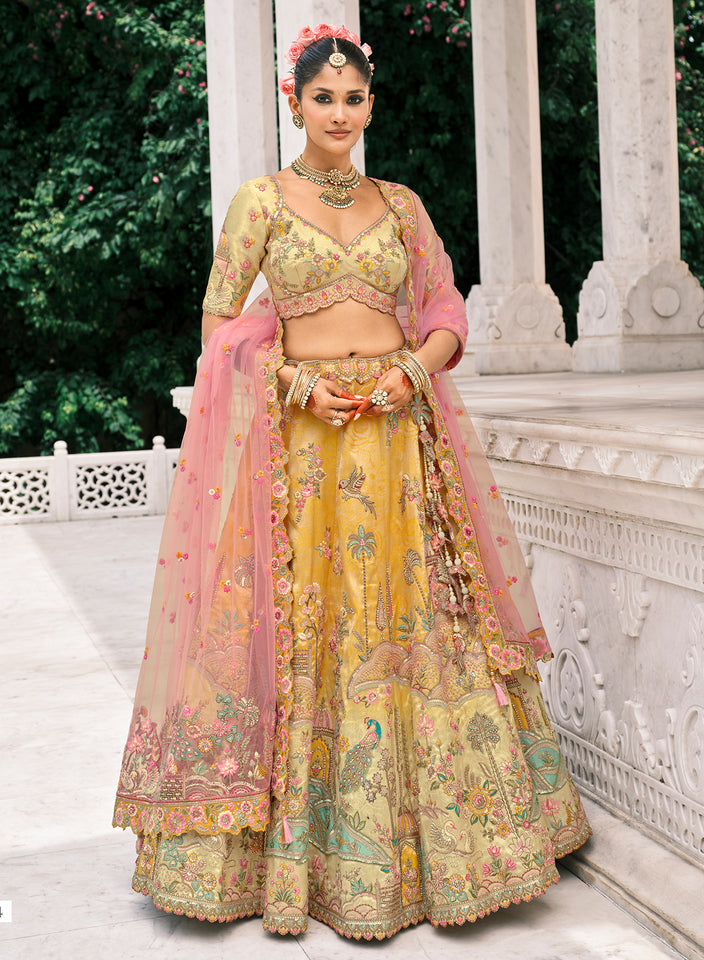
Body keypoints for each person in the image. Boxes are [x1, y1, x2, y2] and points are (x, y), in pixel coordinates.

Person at [113, 23, 590, 941]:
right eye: (323, 97)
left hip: (398, 447)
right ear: (295, 103)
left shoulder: (401, 205)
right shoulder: (261, 202)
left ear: (370, 105)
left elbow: (446, 304)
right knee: (309, 633)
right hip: (304, 451)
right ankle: (296, 859)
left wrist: (417, 368)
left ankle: (455, 847)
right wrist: (290, 381)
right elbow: (221, 323)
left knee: (418, 627)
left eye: (354, 97)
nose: (339, 113)